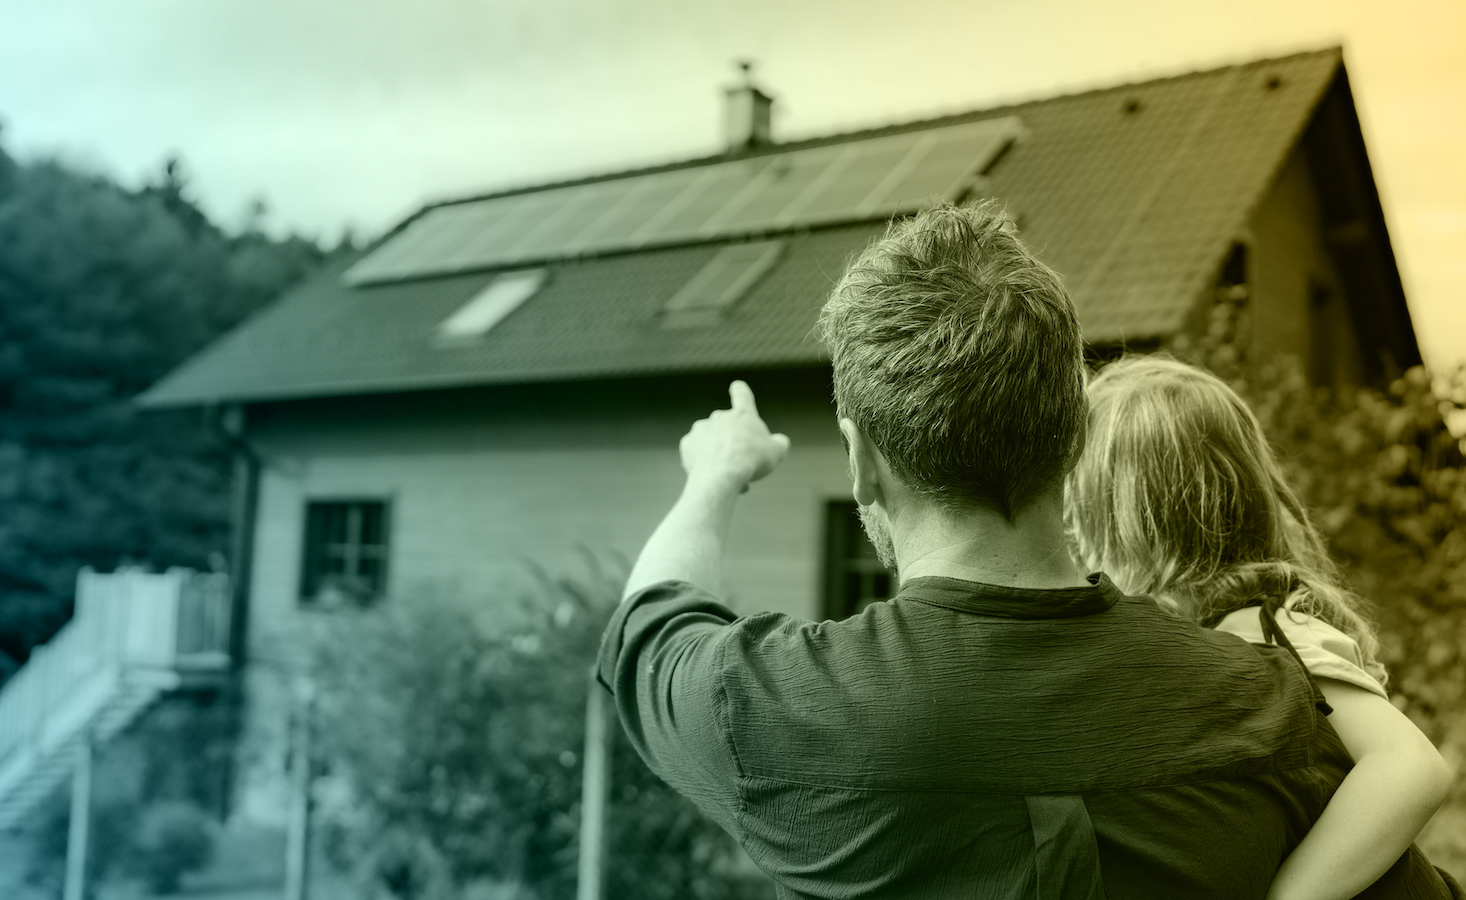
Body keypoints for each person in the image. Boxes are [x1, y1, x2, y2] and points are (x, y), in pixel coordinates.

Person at [595, 201, 1455, 898]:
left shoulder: (778, 709)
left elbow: (648, 627)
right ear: (1073, 436)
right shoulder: (1271, 708)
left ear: (861, 462)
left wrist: (716, 475)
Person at [1063, 354, 1460, 899]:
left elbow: (1411, 768)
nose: (1076, 542)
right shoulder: (1209, 636)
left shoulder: (1270, 631)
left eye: (1081, 516)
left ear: (1131, 525)